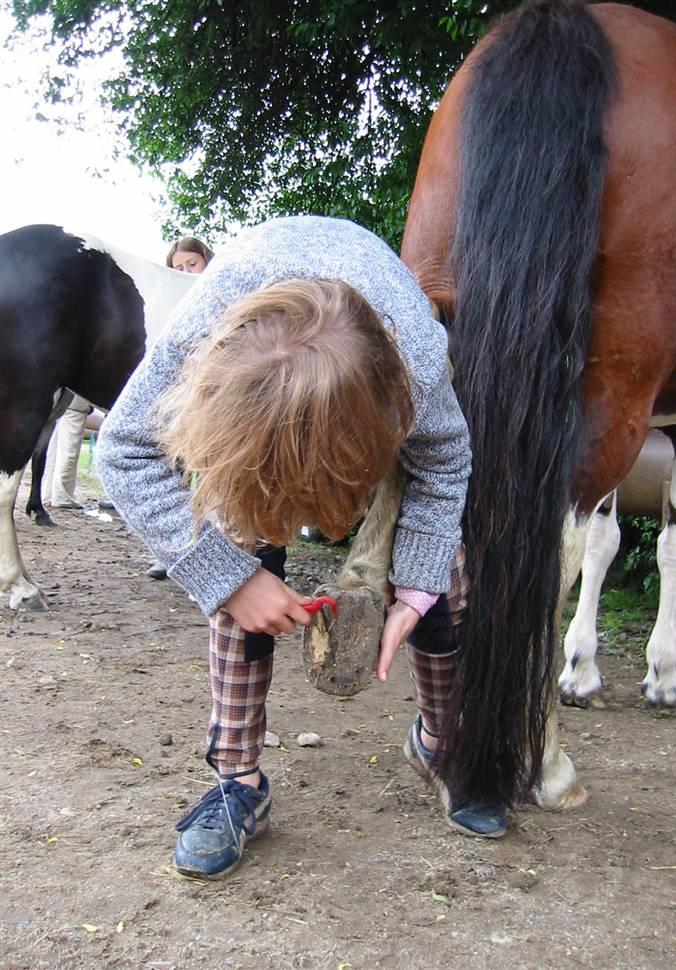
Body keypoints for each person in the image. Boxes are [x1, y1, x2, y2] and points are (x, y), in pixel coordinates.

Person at [97, 215, 507, 881]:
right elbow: (121, 451)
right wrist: (230, 580)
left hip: (375, 375)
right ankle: (238, 781)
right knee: (233, 541)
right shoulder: (201, 335)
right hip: (251, 364)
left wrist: (415, 590)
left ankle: (440, 744)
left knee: (443, 569)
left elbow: (445, 466)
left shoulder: (420, 366)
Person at [146, 235, 215, 579]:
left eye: (192, 264)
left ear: (206, 261)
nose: (186, 271)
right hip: (182, 406)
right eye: (178, 267)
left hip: (214, 405)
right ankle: (174, 551)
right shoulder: (172, 309)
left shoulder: (221, 297)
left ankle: (218, 553)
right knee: (176, 473)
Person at [42, 394, 93, 509]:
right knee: (69, 450)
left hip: (60, 403)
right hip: (76, 405)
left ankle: (48, 494)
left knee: (53, 451)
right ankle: (62, 496)